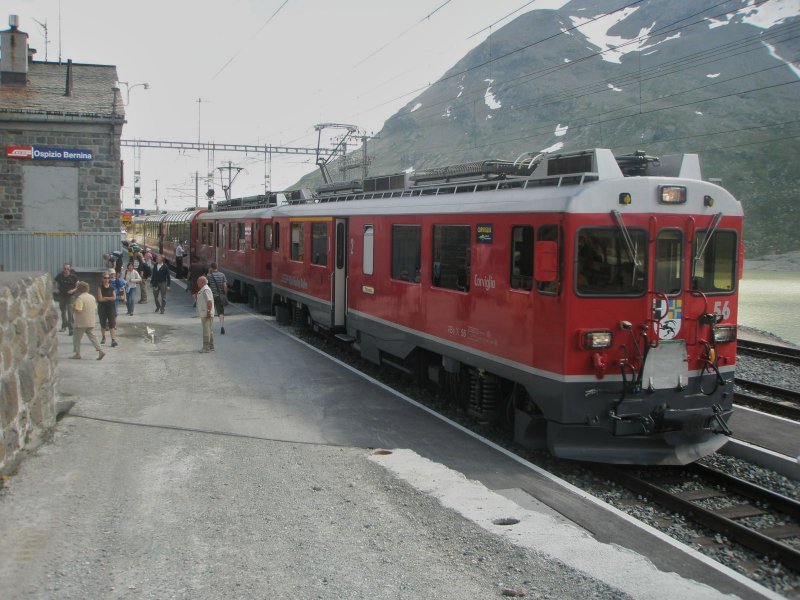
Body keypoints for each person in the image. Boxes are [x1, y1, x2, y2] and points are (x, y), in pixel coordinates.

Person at [71, 281, 105, 360]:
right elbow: (95, 308)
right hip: (91, 321)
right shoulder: (92, 297)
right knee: (93, 336)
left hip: (81, 322)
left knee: (77, 338)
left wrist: (73, 307)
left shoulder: (80, 298)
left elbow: (79, 310)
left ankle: (77, 353)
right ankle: (100, 350)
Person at [54, 262, 78, 335]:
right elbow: (54, 282)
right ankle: (64, 326)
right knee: (63, 311)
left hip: (70, 296)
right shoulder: (59, 276)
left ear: (70, 269)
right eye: (65, 269)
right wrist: (56, 289)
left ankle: (71, 328)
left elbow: (78, 285)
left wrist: (73, 290)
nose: (66, 270)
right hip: (62, 295)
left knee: (70, 311)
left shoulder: (73, 277)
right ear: (63, 269)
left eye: (68, 269)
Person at [97, 271, 119, 347]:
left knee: (112, 324)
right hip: (102, 308)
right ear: (102, 279)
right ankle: (103, 337)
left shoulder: (112, 287)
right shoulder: (100, 287)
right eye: (105, 278)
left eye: (108, 278)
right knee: (103, 323)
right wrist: (110, 298)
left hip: (111, 308)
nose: (106, 279)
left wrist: (105, 297)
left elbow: (114, 298)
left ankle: (113, 340)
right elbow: (100, 299)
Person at [207, 262, 228, 334]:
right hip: (220, 296)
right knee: (221, 312)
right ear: (217, 267)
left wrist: (209, 272)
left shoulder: (209, 275)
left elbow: (206, 283)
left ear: (211, 268)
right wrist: (225, 294)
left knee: (211, 312)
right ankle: (222, 327)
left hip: (212, 296)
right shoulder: (222, 275)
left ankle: (210, 329)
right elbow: (225, 286)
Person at [196, 275, 215, 352]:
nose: (197, 283)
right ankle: (211, 346)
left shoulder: (206, 290)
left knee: (206, 330)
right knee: (209, 330)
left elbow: (209, 301)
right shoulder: (204, 289)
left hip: (206, 313)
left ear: (202, 282)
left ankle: (206, 347)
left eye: (198, 281)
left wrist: (208, 312)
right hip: (205, 312)